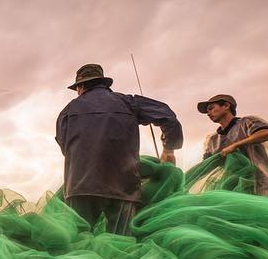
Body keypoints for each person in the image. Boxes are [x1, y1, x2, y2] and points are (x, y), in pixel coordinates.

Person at [56, 64, 182, 235]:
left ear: (81, 86)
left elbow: (65, 147)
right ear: (104, 83)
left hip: (80, 187)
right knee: (122, 243)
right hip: (123, 186)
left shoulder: (67, 111)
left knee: (79, 242)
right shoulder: (128, 102)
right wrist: (169, 149)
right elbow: (168, 116)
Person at [198, 93, 268, 196]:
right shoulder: (213, 140)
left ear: (226, 106)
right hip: (234, 187)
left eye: (211, 108)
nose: (208, 113)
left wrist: (236, 145)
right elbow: (206, 164)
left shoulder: (246, 122)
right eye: (207, 111)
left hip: (262, 182)